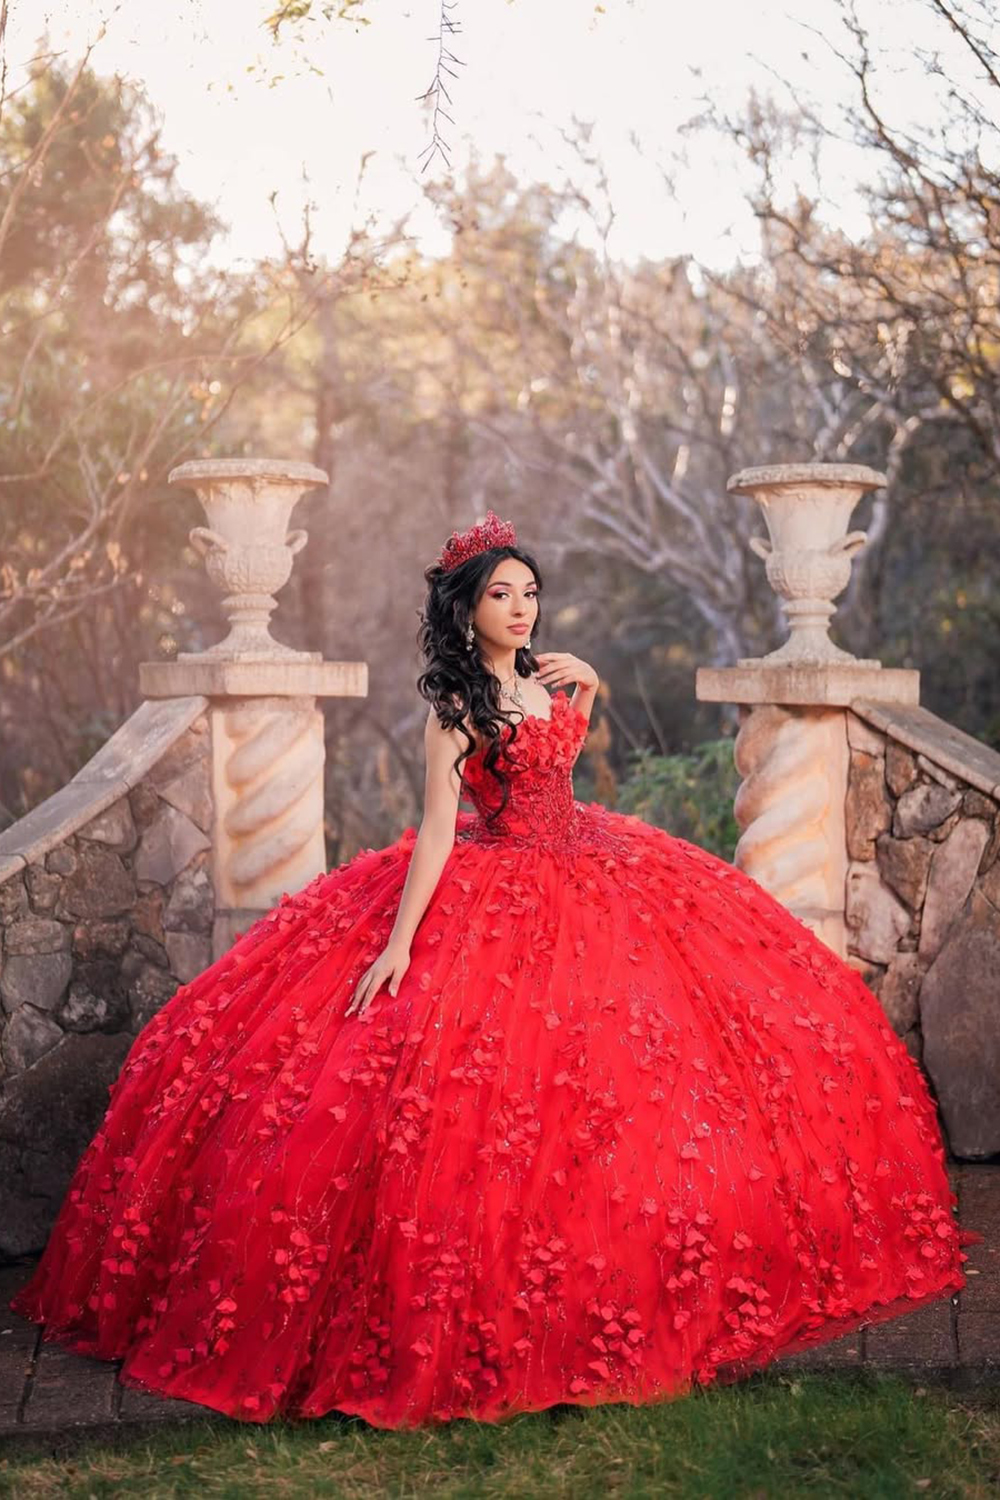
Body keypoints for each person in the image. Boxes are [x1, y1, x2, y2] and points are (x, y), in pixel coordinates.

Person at [10, 510, 981, 1429]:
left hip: (592, 864)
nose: (520, 608)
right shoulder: (455, 708)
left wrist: (588, 688)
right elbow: (438, 832)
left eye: (529, 592)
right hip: (497, 874)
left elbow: (560, 759)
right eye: (500, 595)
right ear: (466, 609)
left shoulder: (546, 682)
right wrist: (400, 942)